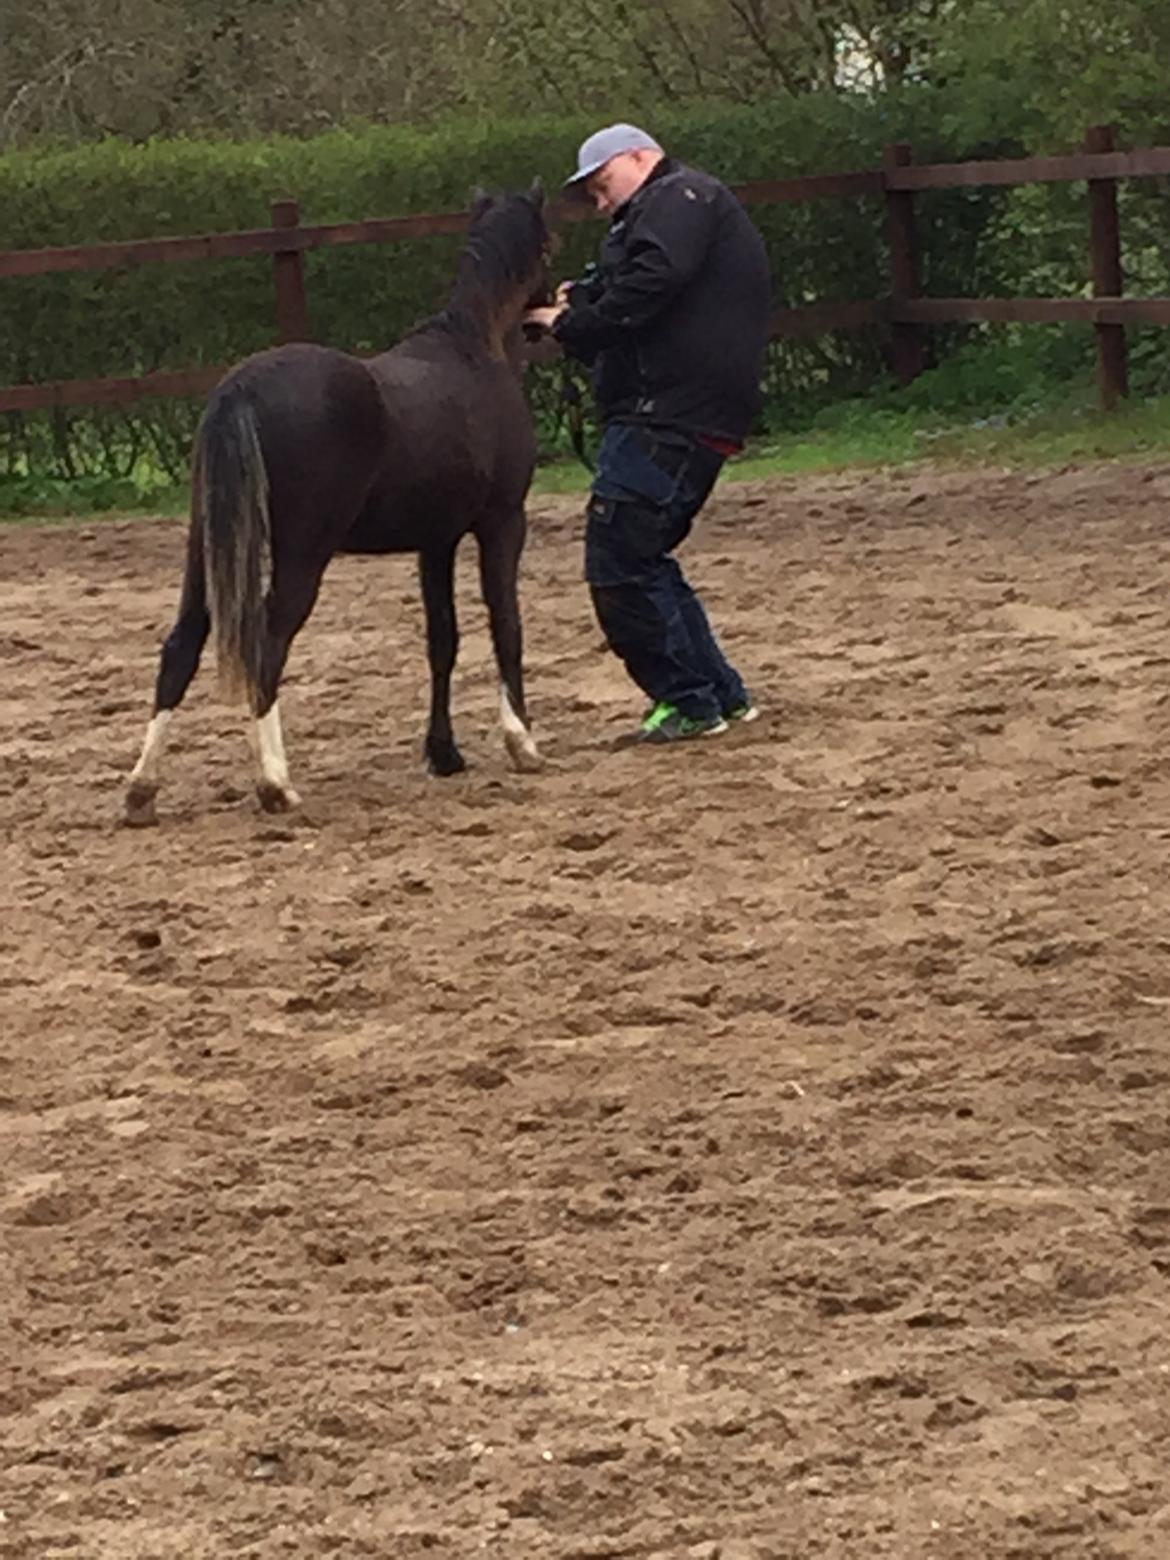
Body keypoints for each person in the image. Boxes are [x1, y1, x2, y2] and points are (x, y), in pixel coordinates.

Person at [526, 122, 772, 744]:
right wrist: (584, 297)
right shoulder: (676, 209)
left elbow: (654, 279)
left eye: (603, 186)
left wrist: (575, 325)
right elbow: (639, 279)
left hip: (668, 414)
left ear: (640, 157)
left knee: (619, 562)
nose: (600, 203)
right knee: (647, 556)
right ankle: (718, 692)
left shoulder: (678, 201)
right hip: (685, 413)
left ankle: (688, 700)